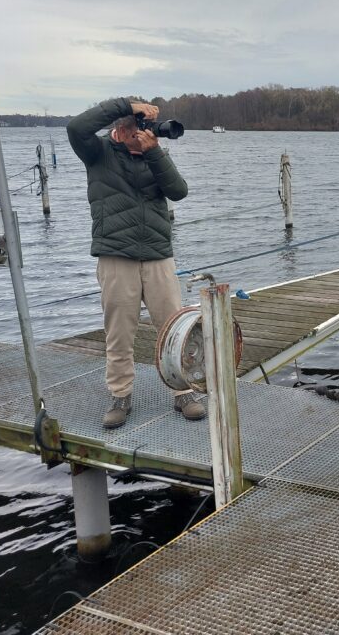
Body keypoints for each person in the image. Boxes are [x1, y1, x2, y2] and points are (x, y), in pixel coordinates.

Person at [68, 98, 206, 429]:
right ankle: (120, 396)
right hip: (116, 255)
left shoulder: (154, 155)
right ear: (121, 128)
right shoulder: (97, 152)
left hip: (158, 255)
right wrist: (125, 104)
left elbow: (179, 191)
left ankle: (183, 392)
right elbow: (76, 127)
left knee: (175, 329)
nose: (141, 135)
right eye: (136, 129)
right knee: (119, 333)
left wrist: (154, 152)